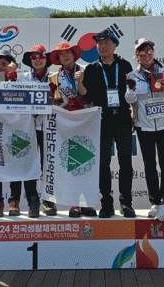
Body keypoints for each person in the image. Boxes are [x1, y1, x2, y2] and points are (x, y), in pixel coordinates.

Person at [80, 29, 135, 218]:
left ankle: (126, 203)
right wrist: (80, 83)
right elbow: (86, 95)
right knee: (103, 164)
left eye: (106, 43)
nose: (102, 46)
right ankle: (106, 204)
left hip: (122, 118)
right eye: (99, 43)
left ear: (115, 45)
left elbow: (132, 92)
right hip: (102, 120)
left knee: (125, 162)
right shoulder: (91, 68)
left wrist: (134, 113)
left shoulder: (125, 65)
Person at [125, 38, 164, 221]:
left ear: (153, 53)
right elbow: (130, 100)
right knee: (149, 165)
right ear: (136, 55)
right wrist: (131, 90)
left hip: (163, 124)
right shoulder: (132, 75)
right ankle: (155, 202)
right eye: (142, 51)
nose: (146, 54)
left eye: (149, 51)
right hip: (144, 126)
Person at [0, 50, 40, 217]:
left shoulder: (22, 79)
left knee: (17, 161)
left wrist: (13, 80)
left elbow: (30, 100)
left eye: (4, 63)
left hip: (18, 128)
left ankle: (14, 201)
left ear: (12, 64)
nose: (1, 67)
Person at [48, 42, 94, 218]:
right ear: (58, 58)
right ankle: (73, 202)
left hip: (86, 119)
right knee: (71, 162)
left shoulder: (86, 70)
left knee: (87, 161)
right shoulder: (54, 76)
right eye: (62, 54)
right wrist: (52, 96)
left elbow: (88, 94)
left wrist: (80, 82)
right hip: (67, 121)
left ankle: (87, 202)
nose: (65, 56)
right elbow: (55, 102)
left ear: (74, 55)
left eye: (68, 53)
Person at [19, 44, 54, 217]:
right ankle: (32, 203)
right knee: (29, 165)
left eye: (41, 56)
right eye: (34, 57)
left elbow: (62, 100)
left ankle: (49, 201)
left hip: (50, 126)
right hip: (29, 127)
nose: (38, 60)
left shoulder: (55, 77)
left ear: (46, 59)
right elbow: (15, 99)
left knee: (49, 165)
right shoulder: (22, 78)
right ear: (30, 60)